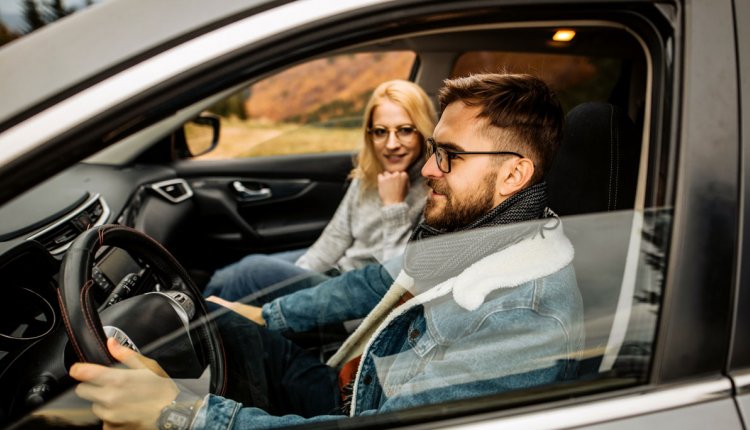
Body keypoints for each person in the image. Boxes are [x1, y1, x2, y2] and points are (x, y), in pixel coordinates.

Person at [69, 73, 584, 429]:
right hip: (355, 385)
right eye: (435, 152)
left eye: (448, 156)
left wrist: (181, 414)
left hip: (357, 410)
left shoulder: (525, 317)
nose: (429, 170)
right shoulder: (476, 240)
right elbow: (373, 281)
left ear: (514, 174)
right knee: (212, 322)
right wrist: (264, 314)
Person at [202, 79, 437, 303]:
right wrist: (296, 278)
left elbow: (395, 282)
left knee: (250, 271)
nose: (391, 144)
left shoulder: (434, 193)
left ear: (423, 131)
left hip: (360, 295)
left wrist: (393, 207)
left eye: (405, 130)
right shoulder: (368, 175)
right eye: (380, 131)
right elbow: (335, 236)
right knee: (225, 278)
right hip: (338, 273)